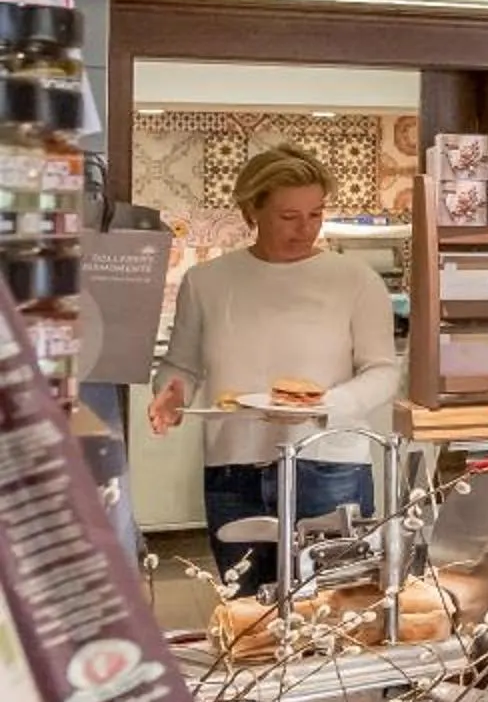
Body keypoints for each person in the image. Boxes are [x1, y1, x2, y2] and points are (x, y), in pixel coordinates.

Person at [149, 145, 402, 589]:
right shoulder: (206, 282)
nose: (305, 229)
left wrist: (325, 404)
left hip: (330, 464)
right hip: (234, 469)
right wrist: (170, 392)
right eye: (289, 216)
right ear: (253, 210)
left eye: (315, 214)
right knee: (248, 606)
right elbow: (181, 366)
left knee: (333, 607)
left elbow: (383, 371)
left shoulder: (356, 281)